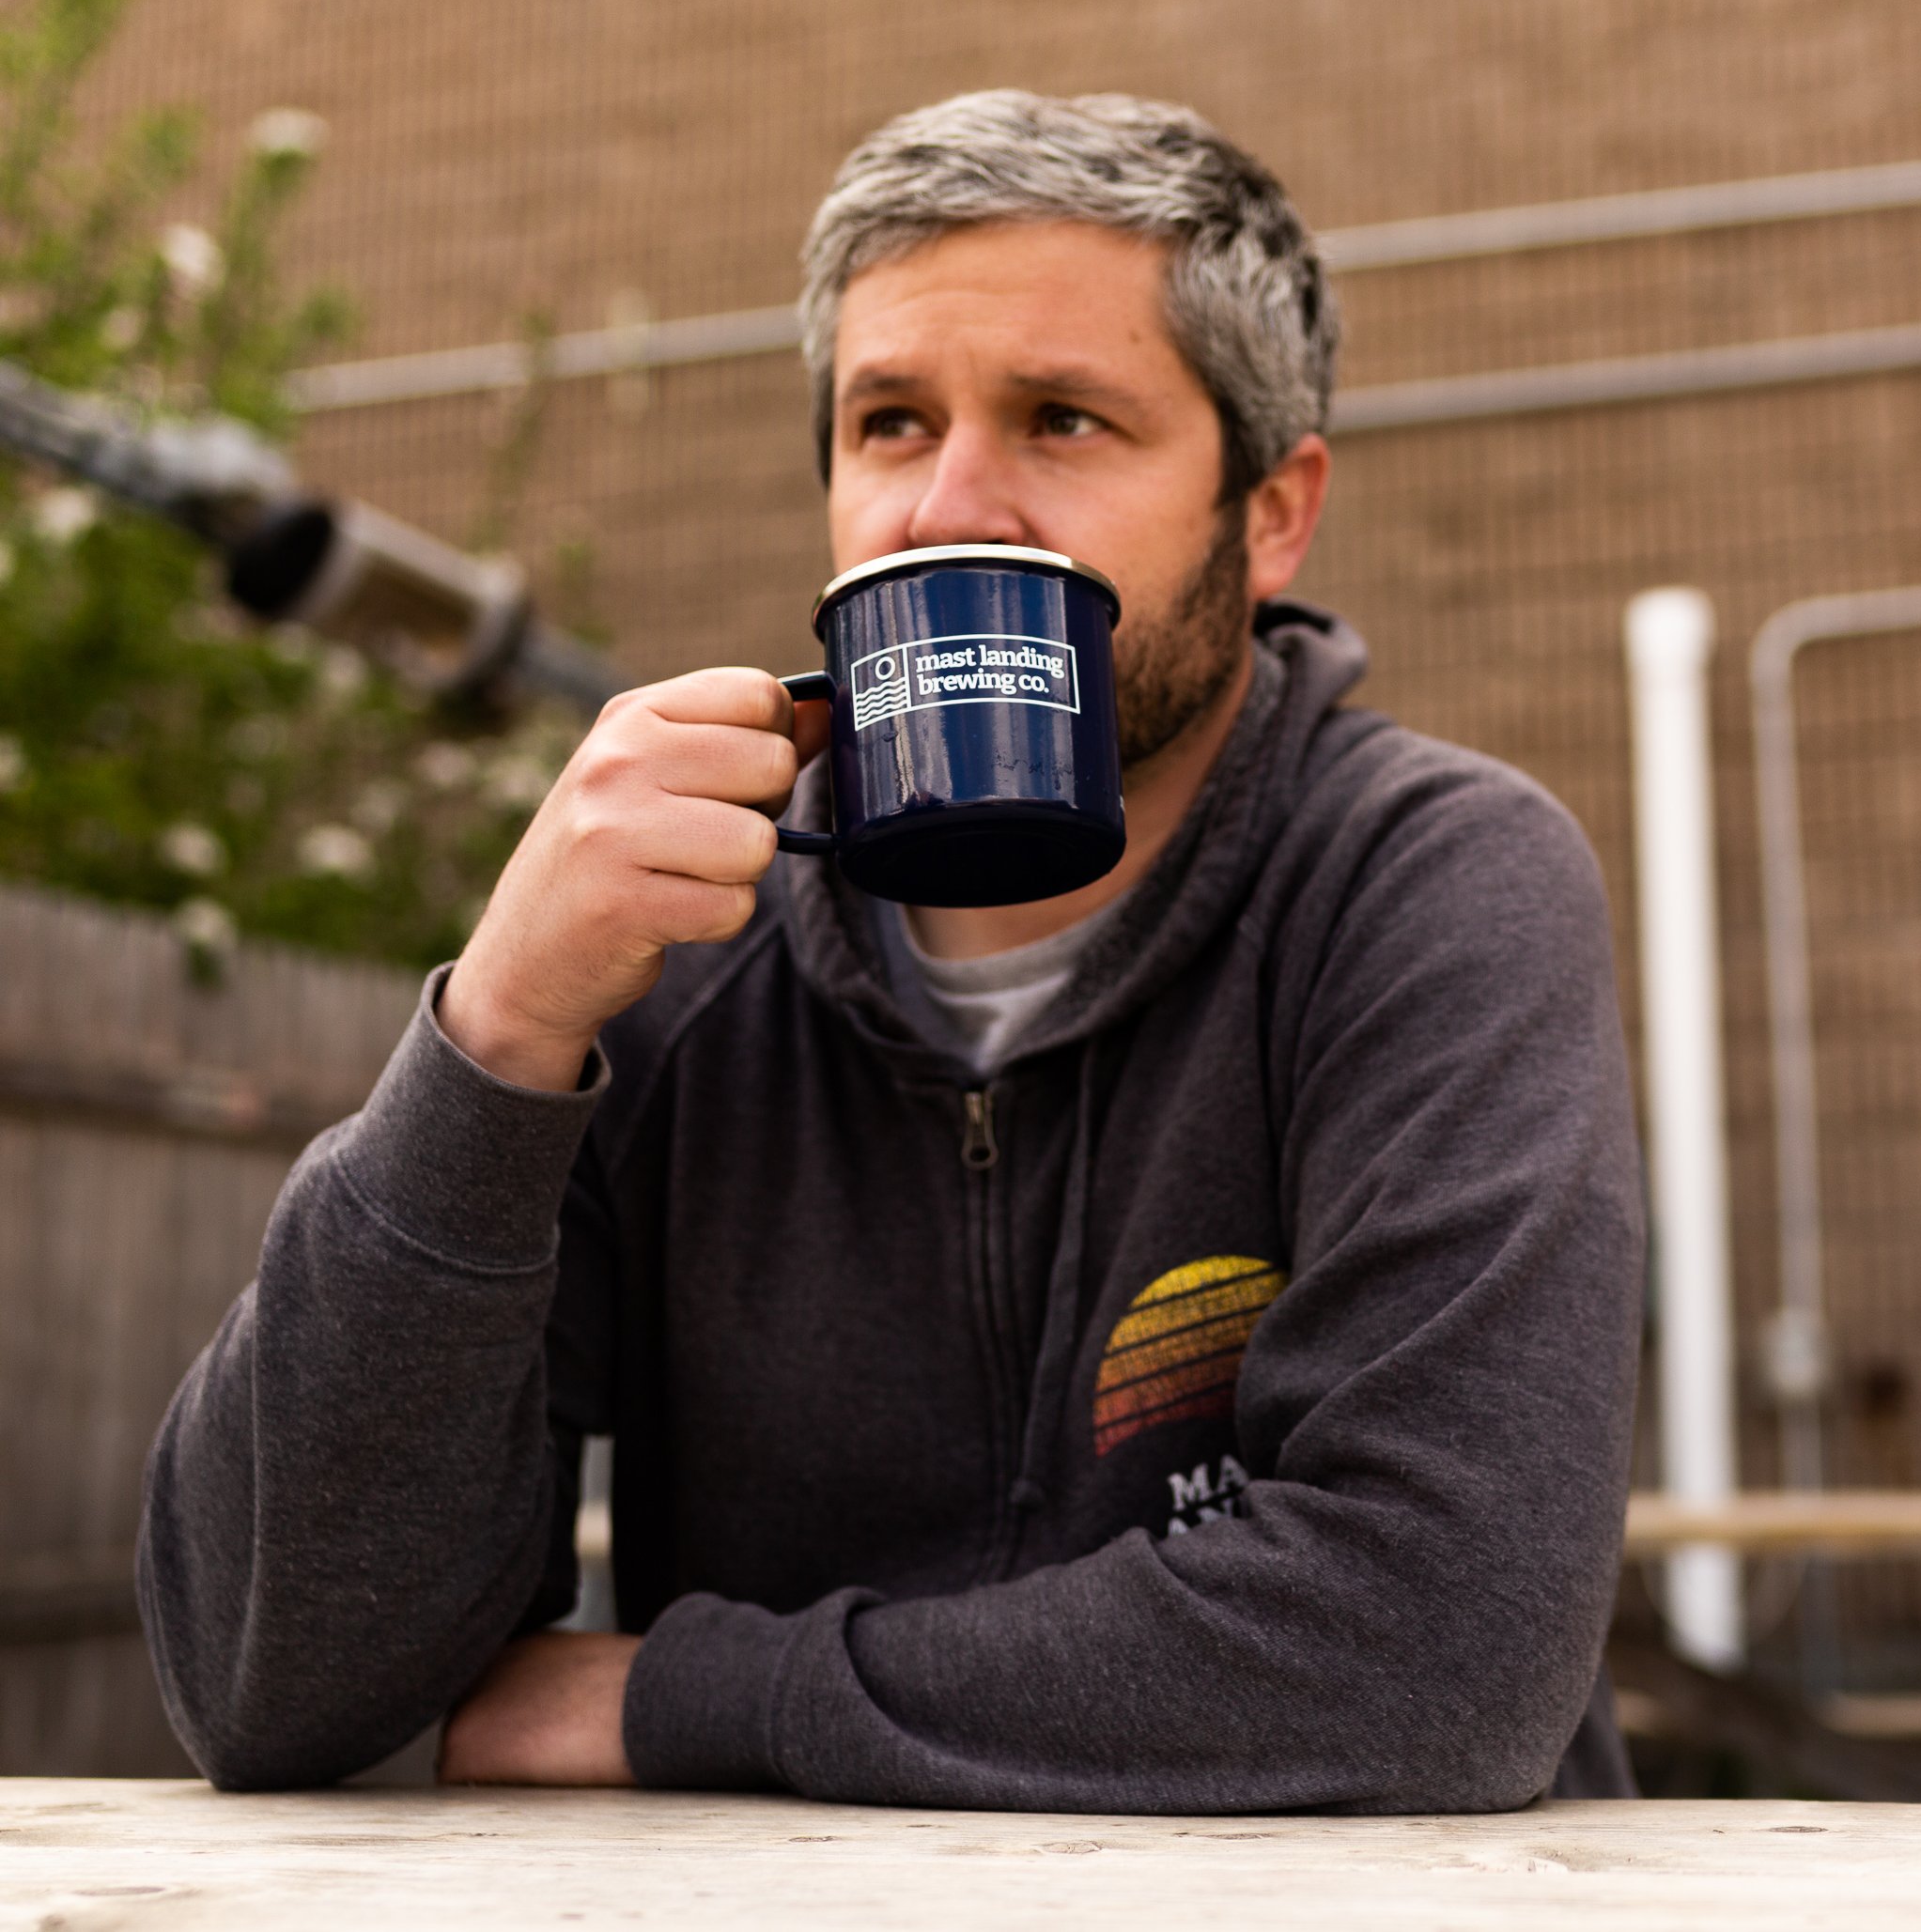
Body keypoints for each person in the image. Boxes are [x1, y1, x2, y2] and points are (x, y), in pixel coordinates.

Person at [139, 90, 1646, 1810]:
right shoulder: (674, 973)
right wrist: (497, 1030)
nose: (953, 507)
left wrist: (683, 1696)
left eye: (1065, 421)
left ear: (1272, 511)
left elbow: (1436, 1658)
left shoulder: (1427, 889)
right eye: (889, 423)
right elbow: (269, 1681)